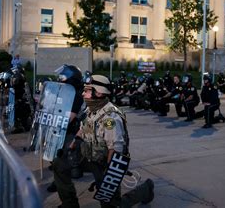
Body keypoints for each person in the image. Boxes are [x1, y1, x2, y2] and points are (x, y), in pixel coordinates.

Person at [54, 74, 154, 207]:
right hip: (89, 154)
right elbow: (84, 128)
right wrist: (71, 147)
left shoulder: (110, 118)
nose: (83, 94)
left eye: (88, 90)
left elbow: (116, 148)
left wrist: (109, 175)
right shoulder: (91, 109)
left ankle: (145, 190)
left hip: (105, 163)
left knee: (112, 205)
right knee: (59, 163)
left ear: (99, 93)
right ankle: (70, 204)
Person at [48, 65, 86, 194]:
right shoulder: (65, 93)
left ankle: (63, 188)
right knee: (56, 158)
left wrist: (55, 121)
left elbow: (69, 118)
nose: (60, 79)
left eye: (63, 77)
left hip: (70, 131)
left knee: (62, 160)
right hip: (60, 129)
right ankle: (59, 181)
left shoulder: (76, 96)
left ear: (71, 79)